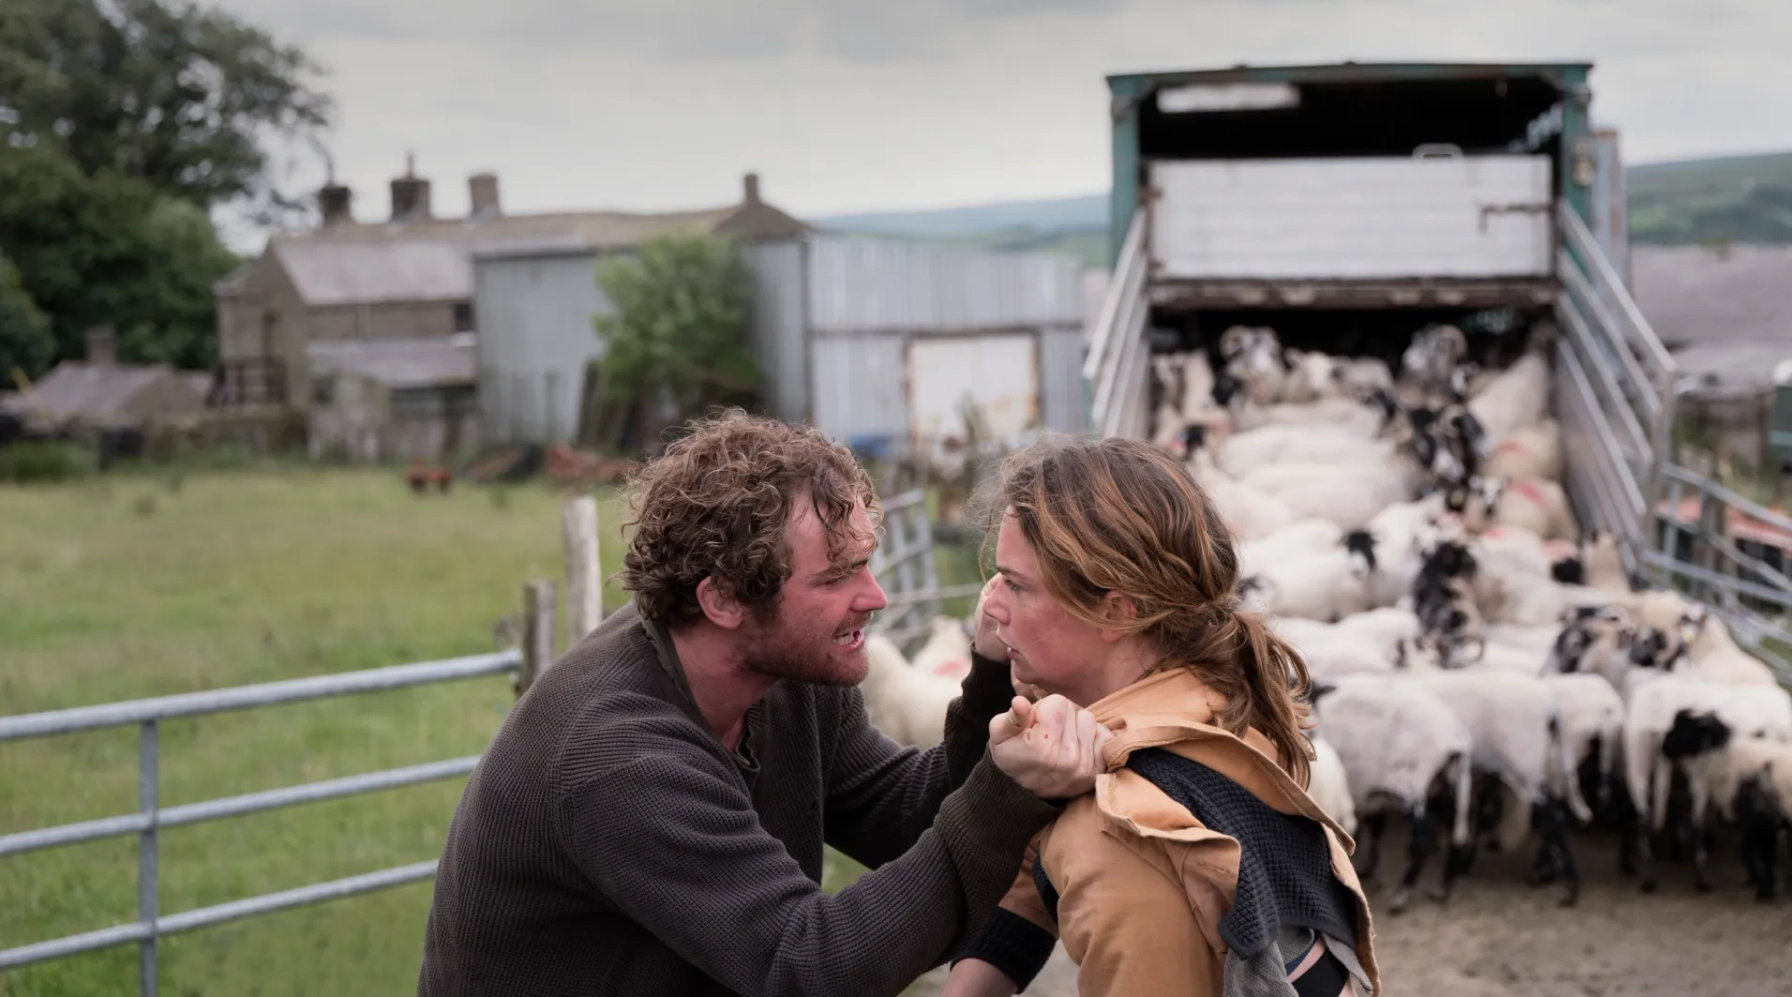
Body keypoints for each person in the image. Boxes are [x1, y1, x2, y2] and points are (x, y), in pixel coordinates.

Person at [418, 412, 1111, 997]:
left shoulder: (782, 677)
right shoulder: (618, 758)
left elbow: (903, 815)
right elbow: (807, 967)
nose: (876, 597)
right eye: (839, 575)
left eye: (867, 562)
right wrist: (1008, 788)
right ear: (722, 598)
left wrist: (992, 680)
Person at [943, 436, 1381, 997]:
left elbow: (1104, 855)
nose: (990, 606)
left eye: (1016, 584)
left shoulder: (1119, 832)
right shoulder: (1222, 705)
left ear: (1117, 610)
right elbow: (1037, 871)